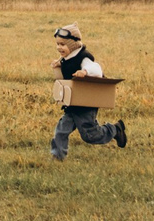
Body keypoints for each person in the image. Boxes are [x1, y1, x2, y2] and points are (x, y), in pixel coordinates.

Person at [48, 22, 127, 161]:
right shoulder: (66, 60)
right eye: (58, 44)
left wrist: (84, 71)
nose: (59, 47)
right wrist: (57, 68)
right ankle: (57, 156)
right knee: (61, 130)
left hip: (85, 105)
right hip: (72, 105)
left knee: (90, 136)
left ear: (72, 45)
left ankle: (115, 129)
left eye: (62, 44)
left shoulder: (83, 57)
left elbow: (97, 69)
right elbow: (63, 81)